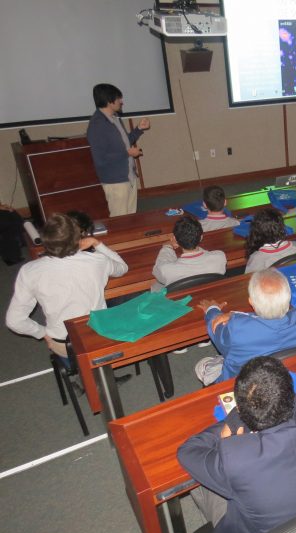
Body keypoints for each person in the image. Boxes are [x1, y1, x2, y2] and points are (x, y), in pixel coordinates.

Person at [178, 356, 296, 533]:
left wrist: (233, 420)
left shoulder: (235, 456)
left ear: (240, 408)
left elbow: (188, 451)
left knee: (199, 482)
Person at [5, 213, 127, 357]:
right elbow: (122, 267)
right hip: (98, 336)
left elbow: (14, 321)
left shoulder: (29, 271)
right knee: (118, 300)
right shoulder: (98, 260)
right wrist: (96, 243)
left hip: (64, 345)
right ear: (78, 238)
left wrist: (42, 333)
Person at [194, 268, 296, 385]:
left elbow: (215, 327)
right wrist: (235, 315)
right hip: (286, 375)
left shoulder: (237, 328)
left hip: (242, 384)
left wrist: (212, 309)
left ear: (251, 302)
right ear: (288, 297)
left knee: (202, 364)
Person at [86, 83, 150, 216]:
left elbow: (124, 142)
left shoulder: (115, 119)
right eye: (118, 98)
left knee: (130, 218)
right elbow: (100, 159)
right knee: (119, 220)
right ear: (109, 101)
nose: (121, 102)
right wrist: (127, 153)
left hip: (128, 177)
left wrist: (139, 129)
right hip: (115, 182)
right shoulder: (97, 124)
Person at [151, 215, 226, 291]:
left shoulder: (166, 270)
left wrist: (167, 247)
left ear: (175, 240)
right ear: (201, 238)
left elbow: (157, 270)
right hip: (209, 294)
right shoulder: (220, 257)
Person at [244, 208, 296, 273]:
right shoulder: (295, 246)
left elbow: (249, 278)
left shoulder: (256, 258)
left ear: (256, 232)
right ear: (282, 227)